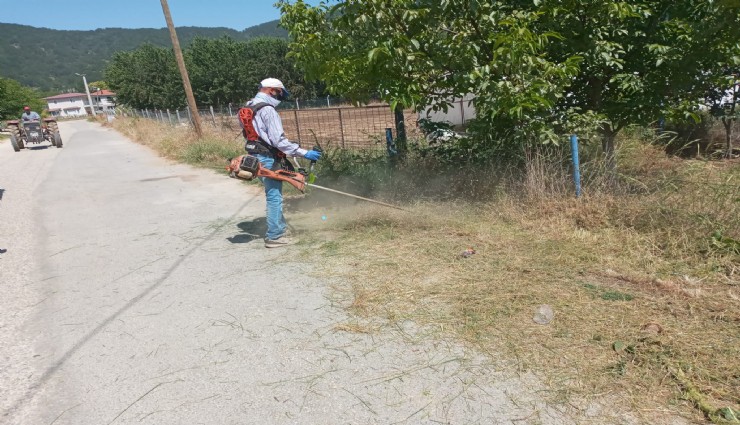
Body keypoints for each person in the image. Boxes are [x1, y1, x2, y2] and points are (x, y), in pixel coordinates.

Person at [245, 78, 322, 248]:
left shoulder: (248, 106)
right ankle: (275, 236)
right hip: (267, 157)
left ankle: (279, 228)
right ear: (272, 90)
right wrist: (304, 152)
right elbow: (278, 141)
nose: (280, 98)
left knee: (273, 195)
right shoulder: (268, 110)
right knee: (274, 197)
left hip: (252, 156)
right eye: (280, 93)